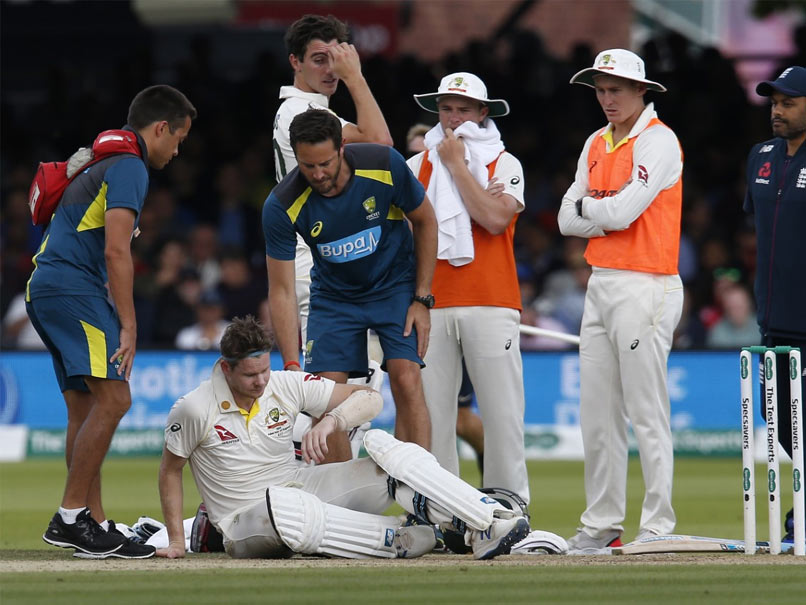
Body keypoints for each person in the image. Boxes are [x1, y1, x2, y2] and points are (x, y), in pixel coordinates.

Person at [157, 316, 547, 560]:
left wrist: (331, 422)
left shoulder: (283, 384)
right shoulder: (194, 409)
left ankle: (485, 523)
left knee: (388, 456)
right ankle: (398, 539)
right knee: (287, 510)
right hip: (244, 521)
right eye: (249, 375)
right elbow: (170, 471)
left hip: (300, 485)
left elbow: (369, 398)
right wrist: (176, 540)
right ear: (226, 368)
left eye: (264, 370)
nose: (260, 382)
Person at [26, 85, 196, 558]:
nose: (177, 151)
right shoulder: (130, 166)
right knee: (117, 398)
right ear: (160, 128)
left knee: (84, 409)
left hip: (45, 287)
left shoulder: (100, 160)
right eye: (178, 139)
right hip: (72, 288)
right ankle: (69, 518)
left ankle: (93, 523)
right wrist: (130, 326)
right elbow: (116, 251)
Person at [557, 49, 684, 550]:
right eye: (601, 90)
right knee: (597, 413)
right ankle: (602, 524)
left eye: (616, 90)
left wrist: (592, 207)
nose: (607, 99)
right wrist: (602, 211)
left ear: (641, 91)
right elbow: (565, 220)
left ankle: (657, 525)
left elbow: (622, 214)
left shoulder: (659, 140)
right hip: (602, 280)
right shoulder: (596, 141)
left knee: (646, 409)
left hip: (647, 282)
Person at [264, 109, 437, 452]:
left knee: (406, 378)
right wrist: (291, 364)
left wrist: (422, 299)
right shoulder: (280, 205)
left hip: (394, 286)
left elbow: (426, 221)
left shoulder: (384, 164)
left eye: (325, 163)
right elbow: (281, 291)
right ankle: (340, 488)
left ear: (342, 147)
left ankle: (414, 485)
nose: (318, 174)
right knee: (322, 398)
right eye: (307, 165)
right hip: (334, 298)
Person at [272, 14, 393, 462]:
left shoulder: (313, 110)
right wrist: (356, 77)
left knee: (343, 398)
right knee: (339, 399)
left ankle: (322, 490)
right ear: (295, 62)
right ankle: (314, 490)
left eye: (337, 58)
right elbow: (381, 143)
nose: (331, 70)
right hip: (317, 265)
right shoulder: (301, 113)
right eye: (319, 59)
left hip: (327, 264)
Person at [406, 72, 529, 503]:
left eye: (463, 109)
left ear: (482, 113)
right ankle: (444, 511)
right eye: (446, 109)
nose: (454, 118)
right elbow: (405, 236)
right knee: (434, 419)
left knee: (502, 415)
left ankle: (510, 508)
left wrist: (457, 166)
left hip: (492, 300)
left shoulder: (505, 162)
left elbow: (494, 220)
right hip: (431, 302)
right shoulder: (414, 166)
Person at [744, 65, 806, 544]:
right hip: (775, 316)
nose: (777, 111)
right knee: (781, 416)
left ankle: (800, 512)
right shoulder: (760, 156)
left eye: (788, 102)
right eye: (774, 103)